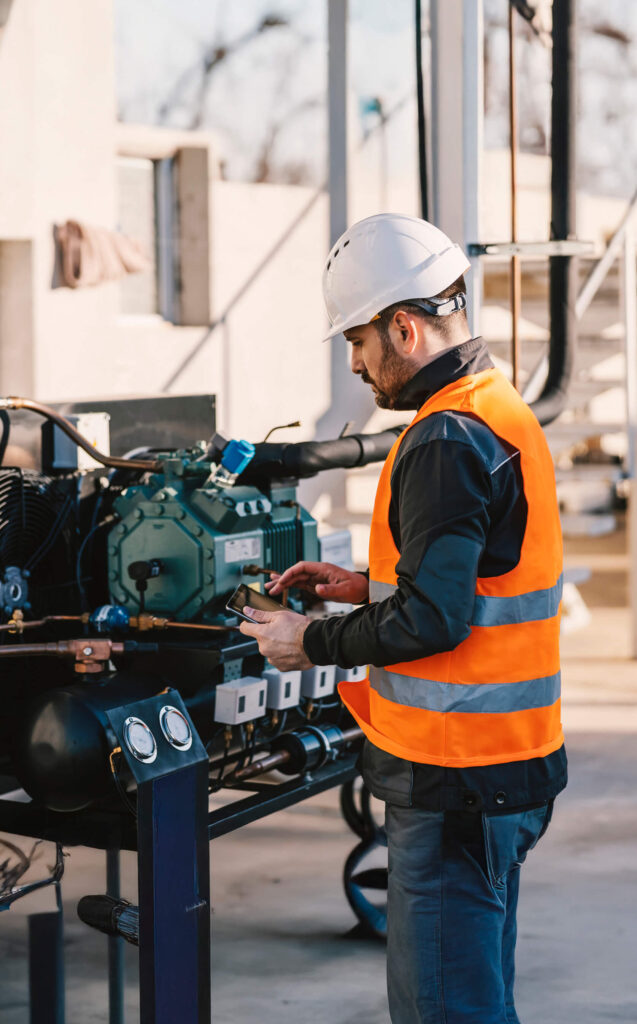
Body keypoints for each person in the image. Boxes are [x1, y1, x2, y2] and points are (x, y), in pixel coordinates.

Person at [239, 213, 567, 1024]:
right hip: (508, 764)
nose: (354, 364)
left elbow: (434, 621)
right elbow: (474, 581)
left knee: (445, 1011)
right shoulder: (496, 408)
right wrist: (360, 586)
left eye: (357, 342)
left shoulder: (443, 439)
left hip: (456, 777)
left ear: (404, 326)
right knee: (477, 997)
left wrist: (307, 639)